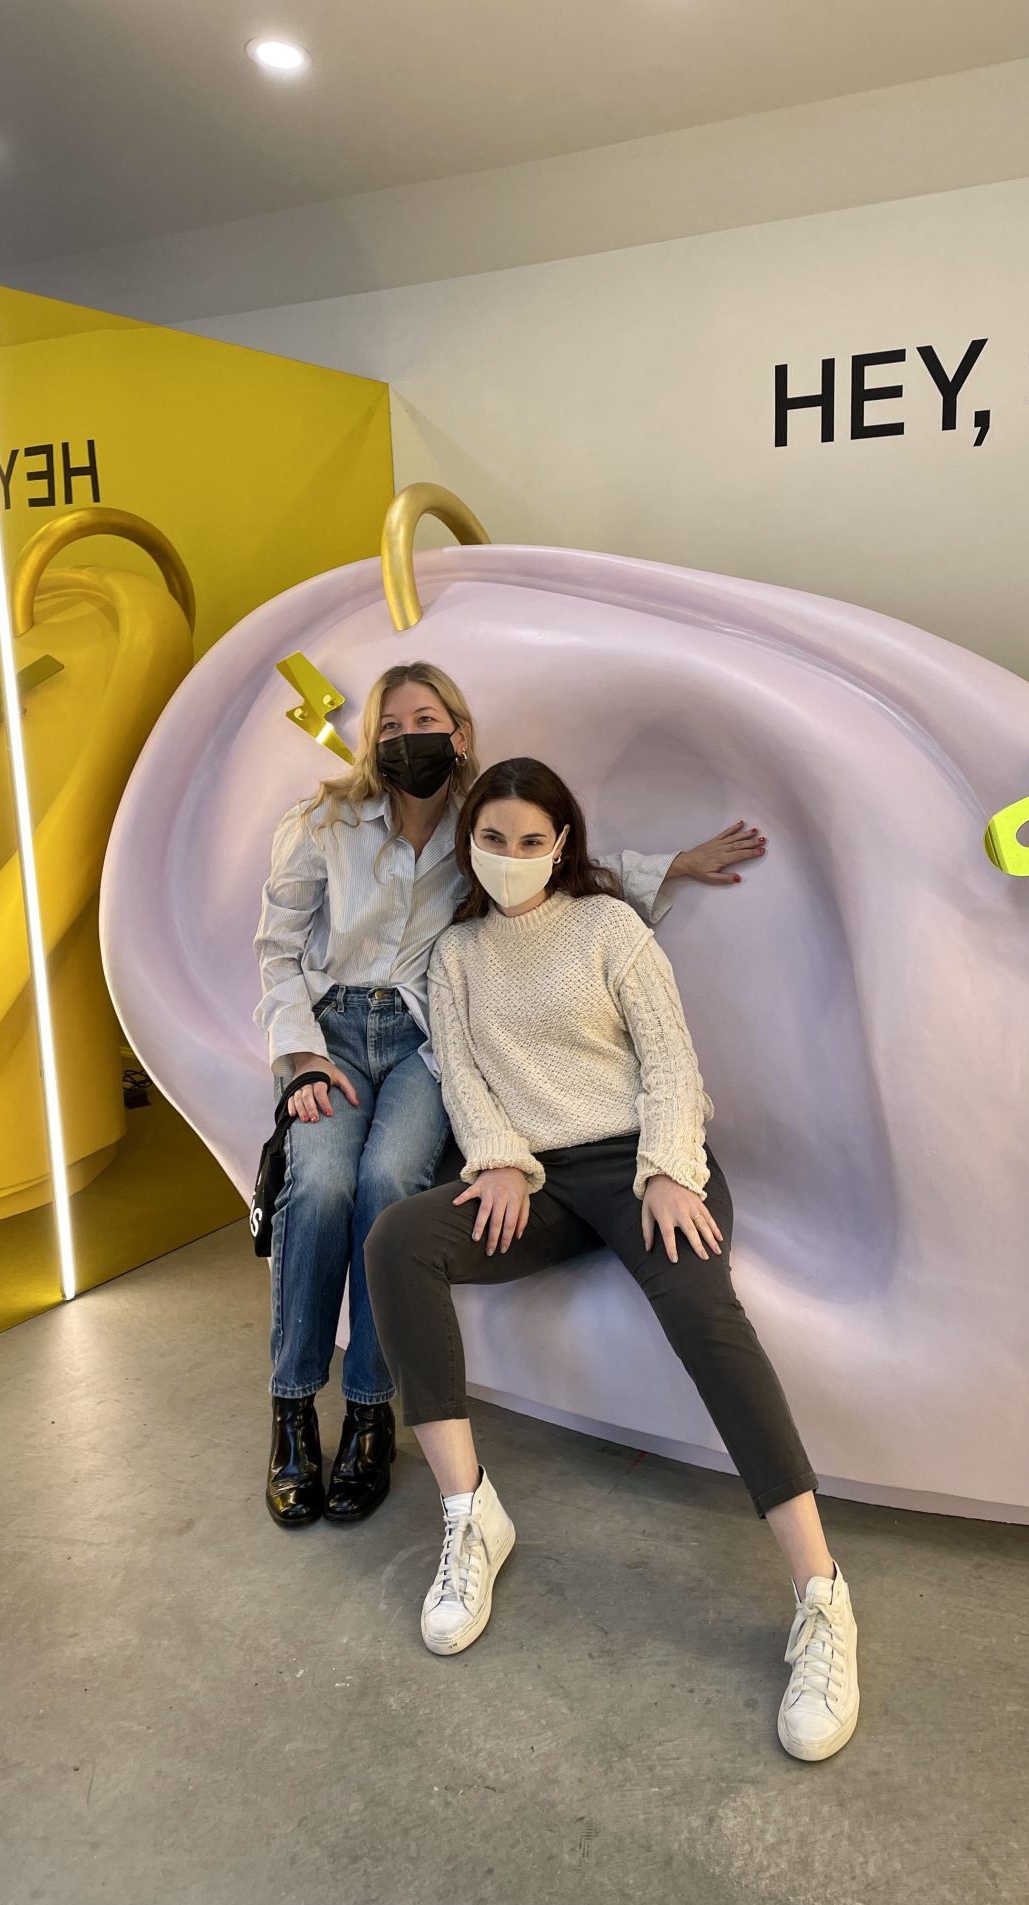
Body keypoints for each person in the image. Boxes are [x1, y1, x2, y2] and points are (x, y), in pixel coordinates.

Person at [364, 757, 860, 1762]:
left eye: (531, 840)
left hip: (641, 1168)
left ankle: (823, 1601)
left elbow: (672, 1058)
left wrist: (670, 1167)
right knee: (399, 1236)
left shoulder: (608, 928)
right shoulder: (454, 956)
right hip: (535, 1184)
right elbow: (462, 1078)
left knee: (703, 1317)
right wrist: (499, 1161)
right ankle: (471, 1517)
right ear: (472, 846)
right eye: (493, 839)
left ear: (562, 845)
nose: (511, 857)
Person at [253, 664, 766, 1529]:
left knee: (388, 1189)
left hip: (425, 1041)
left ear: (458, 729)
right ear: (373, 738)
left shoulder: (478, 833)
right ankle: (295, 1406)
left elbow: (563, 870)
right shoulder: (321, 823)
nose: (405, 734)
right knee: (325, 1186)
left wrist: (674, 865)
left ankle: (372, 1411)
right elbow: (276, 948)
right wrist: (299, 1057)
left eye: (427, 717)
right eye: (389, 723)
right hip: (332, 1032)